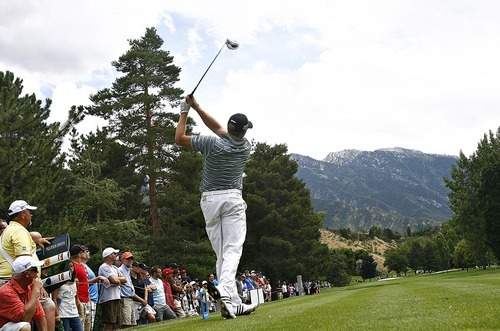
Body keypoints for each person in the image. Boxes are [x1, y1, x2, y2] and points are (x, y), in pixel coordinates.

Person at [175, 94, 258, 318]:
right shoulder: (245, 146)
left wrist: (186, 110)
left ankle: (232, 303)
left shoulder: (212, 143)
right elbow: (219, 128)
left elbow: (180, 138)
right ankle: (225, 288)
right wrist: (196, 107)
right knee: (233, 249)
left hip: (209, 201)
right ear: (243, 131)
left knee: (222, 253)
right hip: (231, 199)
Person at [0, 200, 56, 330]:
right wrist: (36, 284)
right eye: (30, 212)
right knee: (48, 306)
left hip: (8, 281)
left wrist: (36, 239)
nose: (31, 215)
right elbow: (24, 261)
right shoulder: (20, 231)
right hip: (16, 282)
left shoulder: (9, 230)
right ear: (23, 214)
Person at [0, 255, 47, 331]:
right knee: (24, 326)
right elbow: (25, 318)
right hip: (3, 326)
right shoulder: (6, 292)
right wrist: (36, 291)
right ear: (26, 274)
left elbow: (39, 316)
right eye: (35, 270)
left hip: (13, 326)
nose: (37, 272)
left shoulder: (29, 288)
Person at [70, 244, 109, 331]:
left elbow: (85, 283)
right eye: (83, 252)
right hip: (79, 300)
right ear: (79, 254)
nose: (85, 253)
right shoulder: (72, 266)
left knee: (88, 325)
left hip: (87, 299)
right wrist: (77, 300)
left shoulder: (82, 266)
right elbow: (72, 284)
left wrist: (99, 278)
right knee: (80, 326)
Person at [98, 247, 126, 331]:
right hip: (108, 298)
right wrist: (117, 280)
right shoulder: (104, 267)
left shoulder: (114, 268)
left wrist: (117, 280)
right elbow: (115, 280)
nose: (116, 255)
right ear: (109, 256)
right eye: (114, 253)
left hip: (117, 297)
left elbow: (124, 279)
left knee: (117, 323)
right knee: (109, 323)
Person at [52, 262, 83, 331]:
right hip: (62, 313)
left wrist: (80, 309)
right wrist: (57, 315)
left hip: (74, 312)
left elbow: (76, 297)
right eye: (68, 267)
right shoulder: (57, 281)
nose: (71, 269)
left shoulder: (76, 281)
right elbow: (54, 299)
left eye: (72, 266)